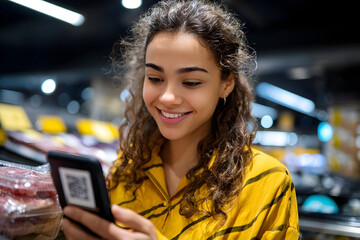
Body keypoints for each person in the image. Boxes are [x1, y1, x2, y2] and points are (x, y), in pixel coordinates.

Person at [61, 0, 300, 239]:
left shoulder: (267, 183)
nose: (167, 98)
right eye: (155, 78)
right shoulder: (127, 170)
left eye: (191, 82)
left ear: (226, 84)